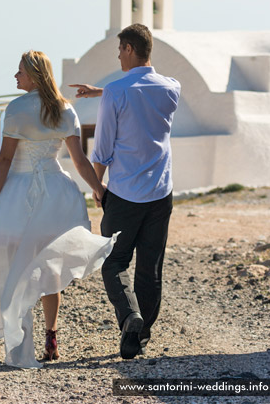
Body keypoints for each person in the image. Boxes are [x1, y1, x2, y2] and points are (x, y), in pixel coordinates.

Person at [0, 50, 118, 368]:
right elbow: (78, 161)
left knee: (16, 269)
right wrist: (98, 190)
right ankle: (51, 335)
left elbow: (5, 160)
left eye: (20, 70)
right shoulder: (65, 109)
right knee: (48, 269)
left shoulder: (16, 109)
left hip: (18, 197)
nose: (15, 75)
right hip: (56, 195)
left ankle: (22, 344)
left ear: (35, 75)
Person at [70, 23, 180, 360]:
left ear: (130, 49)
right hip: (161, 193)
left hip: (124, 193)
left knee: (114, 262)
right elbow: (142, 92)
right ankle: (139, 336)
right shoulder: (172, 88)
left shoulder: (117, 92)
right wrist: (104, 91)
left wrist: (96, 187)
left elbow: (102, 149)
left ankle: (129, 316)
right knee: (151, 267)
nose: (118, 55)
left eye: (120, 49)